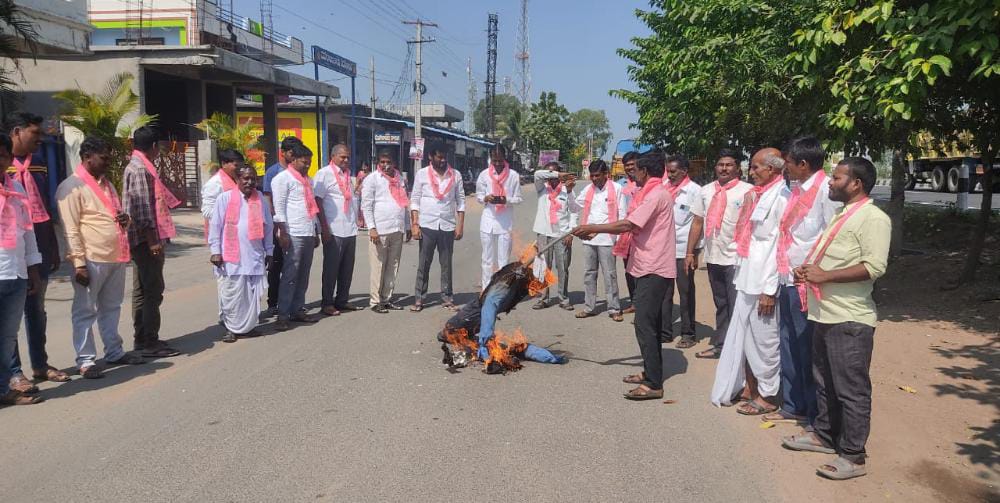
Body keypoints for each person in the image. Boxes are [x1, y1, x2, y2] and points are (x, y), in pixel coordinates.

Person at [781, 157, 890, 481]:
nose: (830, 181)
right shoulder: (844, 213)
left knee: (851, 389)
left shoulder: (874, 218)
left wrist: (825, 275)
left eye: (837, 177)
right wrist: (809, 270)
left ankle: (854, 456)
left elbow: (874, 266)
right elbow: (833, 256)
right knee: (825, 382)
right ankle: (824, 436)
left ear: (856, 183)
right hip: (824, 313)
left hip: (849, 319)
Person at [572, 152, 676, 400]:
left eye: (635, 170)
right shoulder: (649, 193)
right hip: (646, 264)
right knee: (648, 324)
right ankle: (650, 372)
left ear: (645, 171)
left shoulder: (655, 195)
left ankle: (653, 384)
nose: (631, 174)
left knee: (645, 324)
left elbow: (629, 224)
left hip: (654, 267)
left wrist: (594, 228)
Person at [765, 136, 840, 425]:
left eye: (789, 163)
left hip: (807, 283)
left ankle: (813, 413)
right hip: (786, 277)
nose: (785, 168)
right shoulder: (794, 191)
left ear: (804, 164)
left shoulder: (825, 192)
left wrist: (816, 273)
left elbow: (831, 238)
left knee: (807, 346)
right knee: (788, 343)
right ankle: (792, 403)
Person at [57, 136, 145, 379]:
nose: (108, 162)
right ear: (87, 157)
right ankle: (85, 360)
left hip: (115, 255)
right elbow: (70, 229)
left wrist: (126, 220)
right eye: (104, 158)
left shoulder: (107, 184)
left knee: (112, 308)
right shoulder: (71, 187)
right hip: (91, 258)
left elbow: (113, 215)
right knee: (85, 311)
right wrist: (79, 263)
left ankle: (114, 351)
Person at [710, 148, 789, 415]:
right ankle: (749, 387)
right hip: (746, 279)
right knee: (744, 339)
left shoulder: (782, 198)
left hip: (764, 285)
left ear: (772, 169)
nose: (750, 172)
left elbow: (779, 248)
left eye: (756, 167)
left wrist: (769, 290)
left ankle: (768, 396)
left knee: (765, 343)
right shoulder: (758, 195)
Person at [5, 112, 68, 391]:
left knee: (36, 308)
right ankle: (13, 372)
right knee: (9, 316)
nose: (39, 139)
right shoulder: (4, 166)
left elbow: (43, 203)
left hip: (38, 241)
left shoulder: (39, 162)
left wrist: (52, 245)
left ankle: (40, 364)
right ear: (16, 132)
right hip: (9, 246)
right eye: (35, 133)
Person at [685, 149, 753, 359]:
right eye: (721, 164)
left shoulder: (748, 191)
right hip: (713, 256)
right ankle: (722, 344)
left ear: (737, 168)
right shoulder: (706, 191)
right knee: (721, 303)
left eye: (729, 165)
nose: (724, 168)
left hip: (737, 258)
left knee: (737, 305)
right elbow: (697, 222)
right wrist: (690, 252)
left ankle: (740, 349)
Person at [122, 126, 181, 358]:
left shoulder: (137, 165)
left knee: (142, 290)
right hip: (145, 240)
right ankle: (149, 341)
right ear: (154, 146)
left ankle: (142, 338)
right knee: (152, 290)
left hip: (140, 238)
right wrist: (153, 240)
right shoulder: (140, 169)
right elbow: (143, 207)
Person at [0, 132, 45, 405]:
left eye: (2, 155)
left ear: (8, 158)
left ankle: (4, 389)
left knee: (7, 337)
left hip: (15, 272)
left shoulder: (17, 188)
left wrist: (33, 269)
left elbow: (28, 232)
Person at [208, 165, 274, 342]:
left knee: (251, 295)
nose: (250, 182)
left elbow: (268, 227)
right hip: (231, 257)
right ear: (237, 179)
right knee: (232, 294)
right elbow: (215, 226)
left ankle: (248, 327)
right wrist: (215, 251)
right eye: (245, 178)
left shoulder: (260, 199)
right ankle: (231, 328)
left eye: (253, 179)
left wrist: (269, 251)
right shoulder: (225, 198)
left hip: (254, 255)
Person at [410, 142, 465, 312]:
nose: (442, 160)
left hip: (447, 225)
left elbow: (461, 201)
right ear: (430, 157)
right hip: (427, 224)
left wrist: (460, 226)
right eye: (439, 157)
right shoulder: (421, 174)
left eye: (444, 157)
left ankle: (447, 297)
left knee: (446, 264)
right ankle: (419, 298)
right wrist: (415, 224)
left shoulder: (455, 175)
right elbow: (415, 200)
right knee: (424, 263)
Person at [271, 143, 320, 331]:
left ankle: (297, 309)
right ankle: (283, 315)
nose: (307, 165)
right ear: (293, 160)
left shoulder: (308, 180)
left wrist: (315, 231)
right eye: (304, 162)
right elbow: (279, 208)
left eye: (309, 162)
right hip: (292, 233)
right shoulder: (282, 179)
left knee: (303, 275)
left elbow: (312, 209)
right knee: (290, 275)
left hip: (307, 231)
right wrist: (282, 232)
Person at [573, 159, 626, 321]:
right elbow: (574, 207)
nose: (594, 179)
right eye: (592, 176)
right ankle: (589, 307)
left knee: (610, 274)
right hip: (589, 239)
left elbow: (622, 213)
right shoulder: (588, 189)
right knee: (589, 273)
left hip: (608, 239)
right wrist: (568, 192)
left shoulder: (617, 188)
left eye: (597, 175)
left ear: (606, 174)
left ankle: (614, 308)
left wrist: (619, 238)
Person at [313, 144, 361, 316]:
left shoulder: (348, 175)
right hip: (333, 229)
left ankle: (342, 300)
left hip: (349, 228)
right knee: (331, 269)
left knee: (347, 269)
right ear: (332, 156)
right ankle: (327, 303)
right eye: (342, 157)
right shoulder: (324, 174)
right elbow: (317, 201)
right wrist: (323, 228)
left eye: (348, 157)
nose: (346, 160)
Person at [362, 150, 411, 313]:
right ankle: (375, 301)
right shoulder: (372, 179)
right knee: (378, 266)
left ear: (394, 163)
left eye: (389, 162)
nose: (386, 165)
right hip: (380, 230)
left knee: (393, 265)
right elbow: (366, 205)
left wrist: (407, 226)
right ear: (378, 163)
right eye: (382, 162)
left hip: (397, 228)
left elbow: (404, 203)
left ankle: (386, 298)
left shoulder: (399, 179)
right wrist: (372, 228)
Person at [662, 155, 702, 348]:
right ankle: (665, 332)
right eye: (668, 171)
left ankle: (688, 334)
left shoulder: (695, 191)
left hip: (683, 250)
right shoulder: (663, 188)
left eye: (673, 172)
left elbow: (698, 223)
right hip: (664, 250)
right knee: (665, 293)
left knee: (685, 293)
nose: (669, 175)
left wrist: (693, 253)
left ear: (684, 171)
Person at [262, 136, 303, 317]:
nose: (295, 156)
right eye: (292, 153)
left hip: (295, 226)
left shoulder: (299, 172)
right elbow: (268, 198)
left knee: (292, 266)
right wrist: (275, 225)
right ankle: (273, 303)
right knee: (276, 265)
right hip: (277, 226)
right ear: (284, 152)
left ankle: (292, 303)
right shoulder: (273, 172)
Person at [530, 160, 578, 311]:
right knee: (544, 267)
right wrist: (557, 174)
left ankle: (563, 298)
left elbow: (574, 212)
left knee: (563, 267)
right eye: (549, 174)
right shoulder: (542, 188)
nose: (551, 178)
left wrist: (571, 232)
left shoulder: (567, 190)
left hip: (561, 234)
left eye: (554, 175)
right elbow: (537, 174)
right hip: (544, 233)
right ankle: (543, 298)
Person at [476, 143, 523, 290]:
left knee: (503, 260)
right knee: (487, 258)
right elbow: (478, 195)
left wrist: (506, 200)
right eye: (494, 160)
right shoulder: (484, 175)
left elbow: (518, 199)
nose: (497, 164)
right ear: (490, 158)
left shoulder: (513, 176)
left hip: (505, 222)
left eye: (500, 160)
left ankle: (501, 290)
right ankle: (486, 289)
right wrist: (486, 198)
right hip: (488, 221)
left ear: (505, 158)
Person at [615, 150, 640, 313]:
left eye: (632, 164)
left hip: (642, 233)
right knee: (628, 269)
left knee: (641, 269)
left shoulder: (645, 182)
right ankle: (634, 302)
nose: (630, 168)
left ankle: (643, 302)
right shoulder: (620, 185)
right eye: (627, 165)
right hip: (625, 233)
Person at [200, 148, 241, 234]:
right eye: (236, 165)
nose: (239, 169)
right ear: (224, 164)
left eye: (241, 165)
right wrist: (230, 216)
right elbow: (207, 210)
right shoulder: (215, 183)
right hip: (221, 231)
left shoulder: (238, 180)